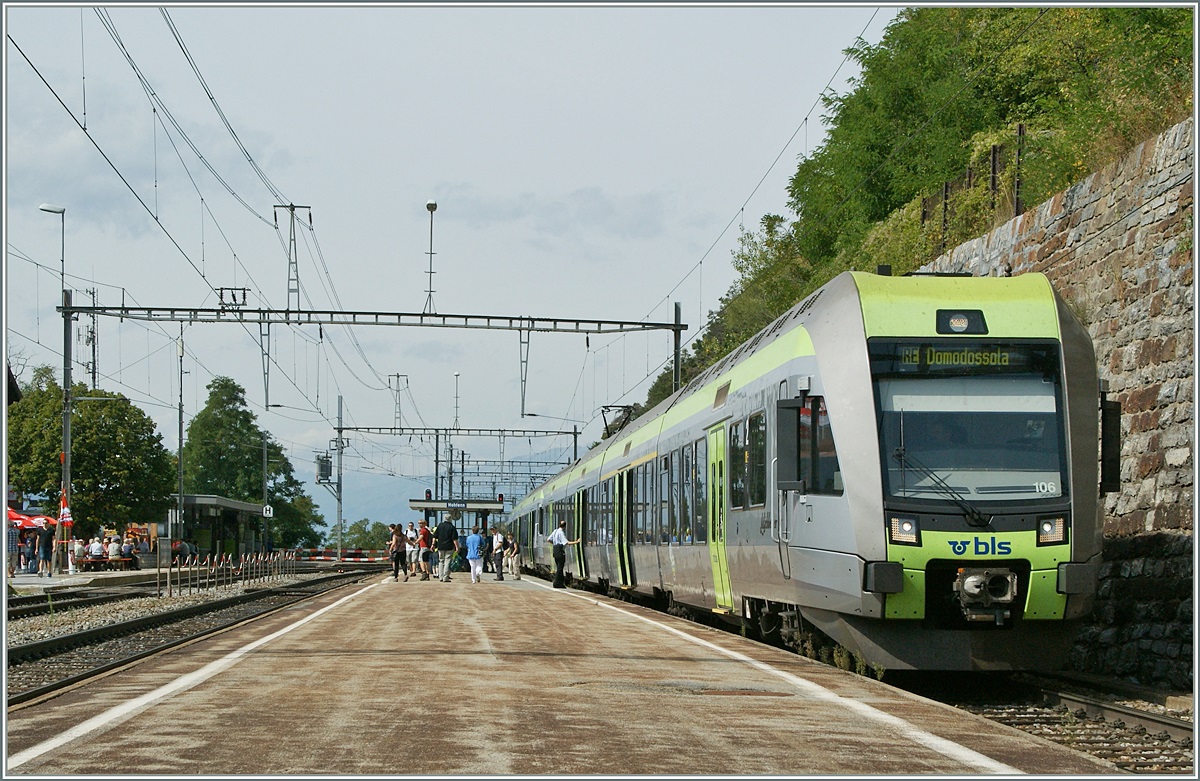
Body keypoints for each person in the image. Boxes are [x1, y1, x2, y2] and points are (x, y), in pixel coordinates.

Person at [546, 519, 580, 588]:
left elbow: (548, 540)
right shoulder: (561, 532)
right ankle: (557, 583)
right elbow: (566, 542)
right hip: (560, 550)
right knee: (560, 567)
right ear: (565, 526)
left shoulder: (555, 531)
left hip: (555, 550)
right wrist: (576, 542)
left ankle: (559, 582)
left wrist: (555, 544)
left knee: (558, 566)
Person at [433, 516, 459, 582]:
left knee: (441, 561)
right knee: (447, 561)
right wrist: (457, 547)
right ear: (450, 519)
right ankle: (445, 577)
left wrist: (433, 544)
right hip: (449, 547)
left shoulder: (440, 526)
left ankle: (440, 577)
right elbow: (454, 539)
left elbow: (434, 536)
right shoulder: (452, 527)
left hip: (440, 546)